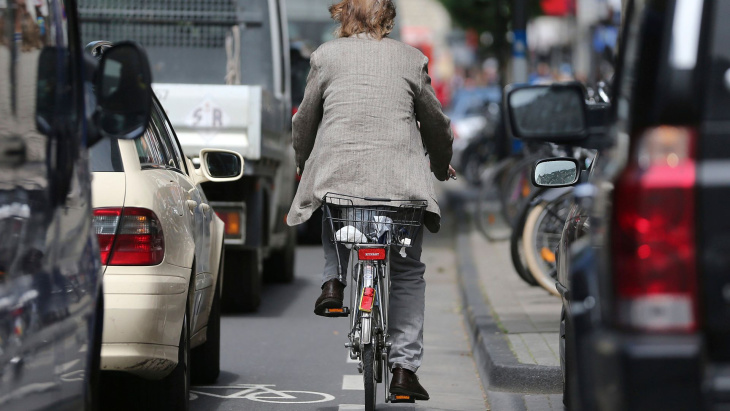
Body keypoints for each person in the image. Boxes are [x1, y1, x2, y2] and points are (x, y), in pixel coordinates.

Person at [286, 0, 455, 401]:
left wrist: (302, 159)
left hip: (340, 179)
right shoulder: (411, 59)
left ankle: (333, 282)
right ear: (389, 19)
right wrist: (440, 164)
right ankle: (402, 371)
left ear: (343, 16)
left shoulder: (325, 57)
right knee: (408, 272)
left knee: (332, 208)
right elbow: (435, 123)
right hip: (401, 188)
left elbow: (305, 118)